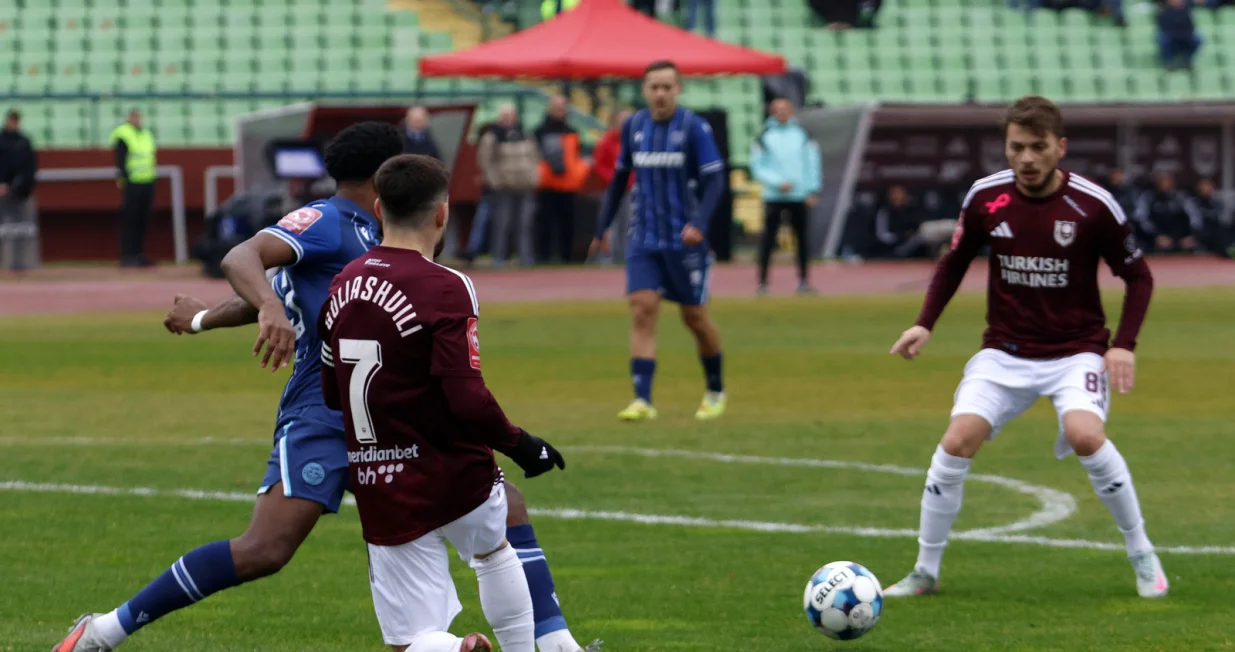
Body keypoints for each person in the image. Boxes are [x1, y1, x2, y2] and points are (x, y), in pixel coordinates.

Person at [54, 123, 597, 652]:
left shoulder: (373, 232)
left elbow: (290, 294)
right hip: (324, 408)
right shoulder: (326, 221)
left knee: (503, 506)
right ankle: (105, 631)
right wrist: (260, 310)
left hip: (388, 409)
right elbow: (245, 261)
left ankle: (556, 644)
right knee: (266, 548)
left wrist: (207, 319)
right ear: (383, 176)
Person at [883, 96, 1167, 600]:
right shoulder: (985, 198)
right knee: (955, 443)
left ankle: (1143, 554)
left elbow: (1138, 276)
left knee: (1084, 435)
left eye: (1038, 147)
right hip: (1005, 352)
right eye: (1017, 147)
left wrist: (1123, 346)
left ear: (1060, 147)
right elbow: (954, 263)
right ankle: (925, 571)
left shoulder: (1093, 205)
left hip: (1076, 351)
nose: (1027, 158)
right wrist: (924, 323)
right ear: (1006, 147)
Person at [319, 154, 566, 652]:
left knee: (411, 641)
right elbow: (466, 396)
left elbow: (330, 389)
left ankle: (455, 649)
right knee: (494, 552)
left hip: (382, 474)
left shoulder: (343, 281)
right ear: (442, 213)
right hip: (453, 468)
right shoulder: (448, 285)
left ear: (378, 208)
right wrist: (522, 445)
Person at [589, 60, 728, 422]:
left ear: (678, 89)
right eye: (654, 87)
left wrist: (699, 223)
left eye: (668, 87)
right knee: (642, 309)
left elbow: (715, 180)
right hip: (644, 238)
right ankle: (642, 399)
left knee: (695, 318)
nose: (661, 94)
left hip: (684, 242)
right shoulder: (634, 126)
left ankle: (715, 389)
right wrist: (601, 227)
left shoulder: (694, 127)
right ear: (645, 90)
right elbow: (619, 179)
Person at [750, 98, 821, 293]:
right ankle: (763, 283)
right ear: (772, 112)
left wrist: (812, 189)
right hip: (774, 196)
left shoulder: (802, 135)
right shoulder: (764, 136)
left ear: (791, 111)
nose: (781, 113)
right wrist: (777, 182)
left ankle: (804, 281)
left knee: (802, 240)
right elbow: (757, 166)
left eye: (785, 109)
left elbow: (811, 163)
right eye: (777, 109)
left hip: (799, 196)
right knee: (768, 240)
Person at [476, 104, 540, 269]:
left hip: (525, 185)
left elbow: (535, 157)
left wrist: (534, 177)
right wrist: (495, 181)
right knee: (502, 223)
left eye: (510, 115)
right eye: (504, 115)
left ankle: (525, 257)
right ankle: (499, 258)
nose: (507, 119)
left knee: (524, 225)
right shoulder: (492, 137)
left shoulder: (525, 135)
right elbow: (485, 161)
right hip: (503, 187)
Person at [110, 109, 157, 268]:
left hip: (147, 181)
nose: (137, 119)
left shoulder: (146, 134)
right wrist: (124, 179)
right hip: (132, 183)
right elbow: (120, 160)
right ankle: (128, 255)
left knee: (142, 221)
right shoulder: (123, 134)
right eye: (134, 116)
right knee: (130, 220)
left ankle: (138, 254)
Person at [591, 107, 634, 264]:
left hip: (631, 190)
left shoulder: (637, 140)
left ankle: (625, 257)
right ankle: (607, 259)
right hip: (612, 189)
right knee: (611, 225)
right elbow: (599, 165)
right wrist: (614, 179)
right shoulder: (606, 141)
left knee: (629, 224)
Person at [0, 108, 40, 271]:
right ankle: (5, 263)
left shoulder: (24, 141)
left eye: (16, 120)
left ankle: (23, 263)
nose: (13, 123)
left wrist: (25, 185)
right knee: (4, 229)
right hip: (2, 191)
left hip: (22, 192)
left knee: (23, 229)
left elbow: (30, 166)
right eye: (11, 120)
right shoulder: (1, 141)